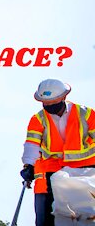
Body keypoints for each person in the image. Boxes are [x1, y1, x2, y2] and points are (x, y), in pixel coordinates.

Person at [20, 79, 95, 226]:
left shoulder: (85, 114)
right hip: (51, 171)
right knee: (46, 218)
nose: (48, 106)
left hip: (85, 171)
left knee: (87, 215)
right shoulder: (38, 119)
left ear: (63, 98)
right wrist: (28, 166)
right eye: (45, 103)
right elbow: (32, 145)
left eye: (52, 103)